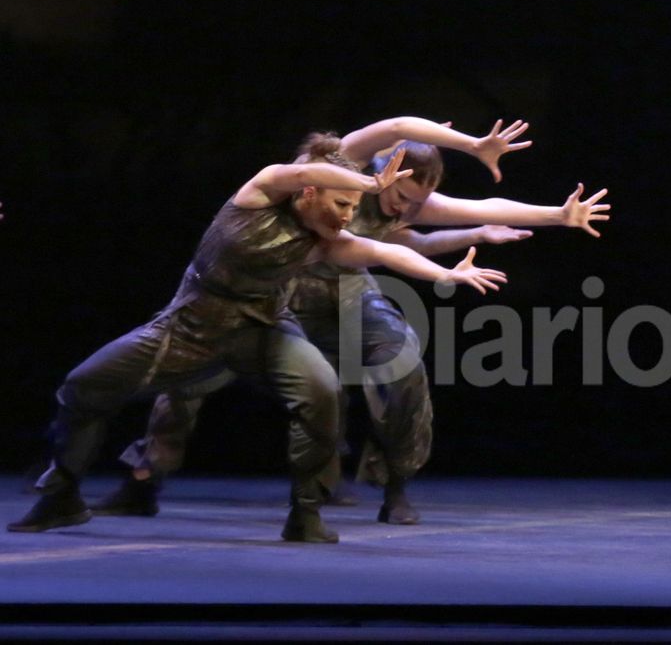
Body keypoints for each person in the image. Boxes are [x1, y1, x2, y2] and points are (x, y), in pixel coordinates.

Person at [92, 117, 610, 525]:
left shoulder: (412, 205)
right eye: (400, 195)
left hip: (347, 295)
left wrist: (556, 215)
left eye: (416, 202)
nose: (404, 207)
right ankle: (144, 478)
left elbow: (474, 209)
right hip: (281, 291)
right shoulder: (346, 166)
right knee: (196, 369)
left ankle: (396, 484)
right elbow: (400, 126)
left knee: (402, 358)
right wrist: (473, 142)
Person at [8, 137, 506, 543]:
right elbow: (289, 173)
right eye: (339, 203)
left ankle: (306, 514)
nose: (345, 216)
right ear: (309, 191)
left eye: (354, 207)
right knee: (82, 387)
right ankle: (63, 496)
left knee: (322, 391)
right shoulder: (257, 197)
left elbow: (389, 253)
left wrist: (446, 275)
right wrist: (370, 180)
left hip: (267, 331)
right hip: (191, 327)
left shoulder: (325, 239)